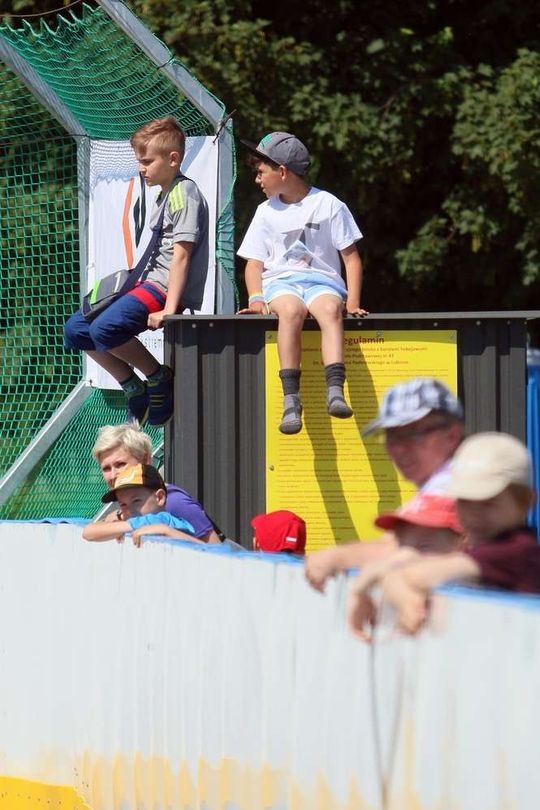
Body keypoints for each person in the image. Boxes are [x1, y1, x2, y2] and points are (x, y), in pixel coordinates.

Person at [64, 116, 209, 427]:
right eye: (139, 161)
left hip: (164, 288)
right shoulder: (164, 193)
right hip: (145, 281)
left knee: (105, 329)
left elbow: (182, 256)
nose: (141, 168)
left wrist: (170, 309)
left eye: (147, 161)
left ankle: (158, 377)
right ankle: (133, 388)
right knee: (76, 329)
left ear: (173, 159)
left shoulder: (185, 193)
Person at [237, 131, 367, 435]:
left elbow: (351, 259)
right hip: (282, 282)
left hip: (322, 282)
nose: (257, 179)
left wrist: (352, 302)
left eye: (261, 172)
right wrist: (256, 297)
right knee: (290, 311)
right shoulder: (265, 212)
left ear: (282, 172)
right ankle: (291, 399)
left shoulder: (329, 204)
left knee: (330, 311)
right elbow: (254, 264)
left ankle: (335, 390)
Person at [349, 432, 540, 638]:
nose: (474, 513)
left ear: (526, 502)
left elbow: (414, 575)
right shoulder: (486, 550)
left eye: (488, 502)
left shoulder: (514, 550)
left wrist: (381, 586)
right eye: (464, 501)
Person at [305, 377, 465, 591]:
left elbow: (410, 547)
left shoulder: (461, 477)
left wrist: (337, 557)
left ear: (452, 435)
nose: (399, 449)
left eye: (412, 434)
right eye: (392, 436)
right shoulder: (441, 479)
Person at [92, 423, 222, 543]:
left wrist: (167, 531)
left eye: (120, 464)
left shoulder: (174, 501)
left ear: (145, 459)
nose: (113, 475)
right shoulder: (128, 506)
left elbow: (217, 551)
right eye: (106, 468)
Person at [83, 463, 206, 547]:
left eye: (136, 501)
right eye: (123, 504)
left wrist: (118, 527)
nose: (129, 510)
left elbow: (88, 533)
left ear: (160, 497)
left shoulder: (158, 520)